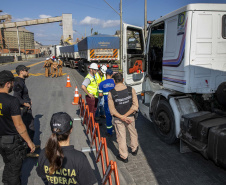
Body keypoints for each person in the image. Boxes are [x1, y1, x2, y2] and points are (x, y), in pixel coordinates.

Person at [36, 112, 97, 185]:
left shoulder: (43, 153)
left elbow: (42, 174)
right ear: (71, 130)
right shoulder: (79, 158)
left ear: (52, 130)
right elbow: (87, 182)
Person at [0, 70, 35, 185]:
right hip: (11, 142)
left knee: (9, 165)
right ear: (7, 84)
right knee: (14, 170)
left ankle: (6, 182)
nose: (13, 85)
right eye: (12, 82)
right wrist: (29, 142)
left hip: (1, 141)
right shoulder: (12, 101)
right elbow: (19, 125)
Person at [108, 73, 139, 163]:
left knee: (121, 137)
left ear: (114, 81)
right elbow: (135, 106)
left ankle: (124, 156)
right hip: (130, 117)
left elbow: (112, 110)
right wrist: (126, 116)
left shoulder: (111, 93)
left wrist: (122, 117)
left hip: (119, 119)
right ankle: (134, 149)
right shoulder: (131, 89)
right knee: (133, 132)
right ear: (123, 79)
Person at [13, 65, 39, 157]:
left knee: (30, 128)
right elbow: (16, 97)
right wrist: (25, 103)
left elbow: (23, 95)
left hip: (26, 108)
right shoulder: (18, 82)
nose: (28, 72)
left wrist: (28, 100)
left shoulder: (21, 81)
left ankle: (31, 145)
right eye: (26, 71)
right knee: (29, 129)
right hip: (23, 110)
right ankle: (28, 151)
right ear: (21, 72)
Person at [98, 69, 115, 137]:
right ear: (111, 75)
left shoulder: (102, 83)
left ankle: (109, 132)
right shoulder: (114, 82)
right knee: (117, 118)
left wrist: (105, 94)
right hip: (115, 102)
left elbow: (100, 94)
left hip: (107, 103)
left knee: (108, 118)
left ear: (105, 74)